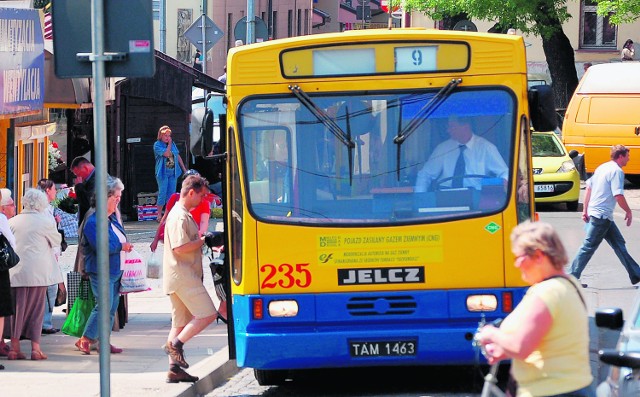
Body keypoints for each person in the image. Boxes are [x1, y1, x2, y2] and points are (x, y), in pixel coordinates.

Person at [476, 221, 595, 397]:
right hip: (572, 387)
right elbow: (547, 341)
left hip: (551, 390)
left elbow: (521, 347)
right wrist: (504, 349)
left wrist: (490, 333)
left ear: (538, 255)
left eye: (519, 257)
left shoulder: (547, 292)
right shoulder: (569, 284)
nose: (516, 264)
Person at [162, 174, 218, 383]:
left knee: (179, 323)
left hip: (177, 276)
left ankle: (174, 369)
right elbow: (179, 247)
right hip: (183, 274)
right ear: (191, 192)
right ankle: (175, 345)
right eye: (201, 195)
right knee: (208, 314)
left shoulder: (182, 214)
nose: (203, 200)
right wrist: (204, 240)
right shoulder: (180, 216)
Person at [74, 176, 133, 355]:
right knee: (104, 306)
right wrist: (122, 246)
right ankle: (85, 339)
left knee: (110, 308)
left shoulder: (111, 218)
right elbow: (102, 245)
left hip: (115, 270)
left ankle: (103, 342)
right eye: (116, 196)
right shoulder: (93, 220)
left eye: (119, 196)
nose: (118, 199)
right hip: (101, 270)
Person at [569, 144, 640, 287]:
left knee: (619, 244)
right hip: (601, 216)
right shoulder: (616, 171)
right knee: (588, 246)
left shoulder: (603, 167)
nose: (629, 159)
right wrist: (628, 211)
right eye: (627, 156)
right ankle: (571, 277)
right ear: (621, 156)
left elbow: (589, 187)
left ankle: (636, 274)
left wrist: (585, 210)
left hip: (601, 215)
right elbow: (618, 195)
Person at [5, 188, 62, 361]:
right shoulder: (45, 221)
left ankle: (14, 348)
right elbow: (56, 241)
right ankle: (35, 349)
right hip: (38, 273)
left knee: (17, 310)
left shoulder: (13, 221)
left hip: (15, 273)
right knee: (37, 310)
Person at [414, 117, 509, 192]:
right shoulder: (443, 148)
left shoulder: (486, 147)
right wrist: (420, 198)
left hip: (477, 195)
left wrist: (498, 189)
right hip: (446, 194)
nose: (448, 130)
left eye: (452, 127)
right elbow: (425, 174)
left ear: (466, 127)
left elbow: (505, 172)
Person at [150, 169, 211, 253]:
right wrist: (155, 240)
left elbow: (204, 222)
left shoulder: (204, 201)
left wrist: (200, 237)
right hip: (176, 240)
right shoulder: (175, 199)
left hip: (194, 239)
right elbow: (164, 219)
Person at [37, 179, 65, 335]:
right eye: (54, 189)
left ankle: (45, 322)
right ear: (47, 190)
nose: (56, 192)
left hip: (49, 254)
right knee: (50, 289)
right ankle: (45, 323)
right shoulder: (44, 210)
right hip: (48, 255)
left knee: (49, 289)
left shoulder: (47, 209)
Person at [154, 125, 188, 220]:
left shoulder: (173, 144)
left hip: (173, 172)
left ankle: (168, 214)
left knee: (171, 194)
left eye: (169, 135)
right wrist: (169, 144)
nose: (167, 137)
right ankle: (159, 214)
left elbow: (177, 156)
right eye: (165, 135)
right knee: (162, 193)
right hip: (163, 172)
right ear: (160, 135)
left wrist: (184, 169)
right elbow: (166, 154)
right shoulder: (157, 144)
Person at [0, 188, 16, 369]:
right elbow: (12, 242)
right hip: (0, 268)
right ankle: (0, 343)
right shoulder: (2, 219)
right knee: (1, 308)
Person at [70, 156, 96, 226]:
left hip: (92, 224)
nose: (78, 177)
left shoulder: (97, 179)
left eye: (78, 174)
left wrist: (79, 186)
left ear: (85, 168)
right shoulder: (92, 178)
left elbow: (89, 202)